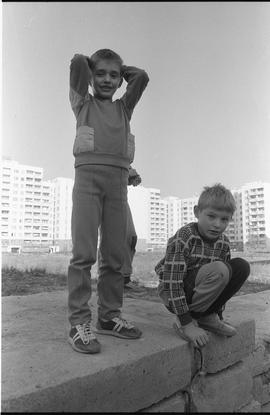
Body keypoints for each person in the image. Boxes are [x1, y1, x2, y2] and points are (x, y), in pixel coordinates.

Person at [68, 49, 149, 354]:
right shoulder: (82, 104)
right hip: (87, 183)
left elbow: (141, 78)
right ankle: (78, 322)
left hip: (117, 185)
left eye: (113, 75)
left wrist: (120, 66)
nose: (106, 79)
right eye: (100, 73)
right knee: (83, 254)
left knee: (115, 255)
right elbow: (77, 63)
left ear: (119, 81)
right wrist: (91, 67)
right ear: (90, 77)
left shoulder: (124, 108)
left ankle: (109, 316)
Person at [155, 183, 250, 349]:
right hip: (175, 292)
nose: (217, 224)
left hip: (201, 294)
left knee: (241, 267)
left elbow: (224, 283)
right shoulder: (185, 236)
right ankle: (183, 321)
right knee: (220, 269)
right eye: (211, 216)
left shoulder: (223, 242)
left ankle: (207, 317)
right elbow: (172, 281)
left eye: (224, 219)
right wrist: (187, 323)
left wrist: (217, 314)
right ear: (197, 212)